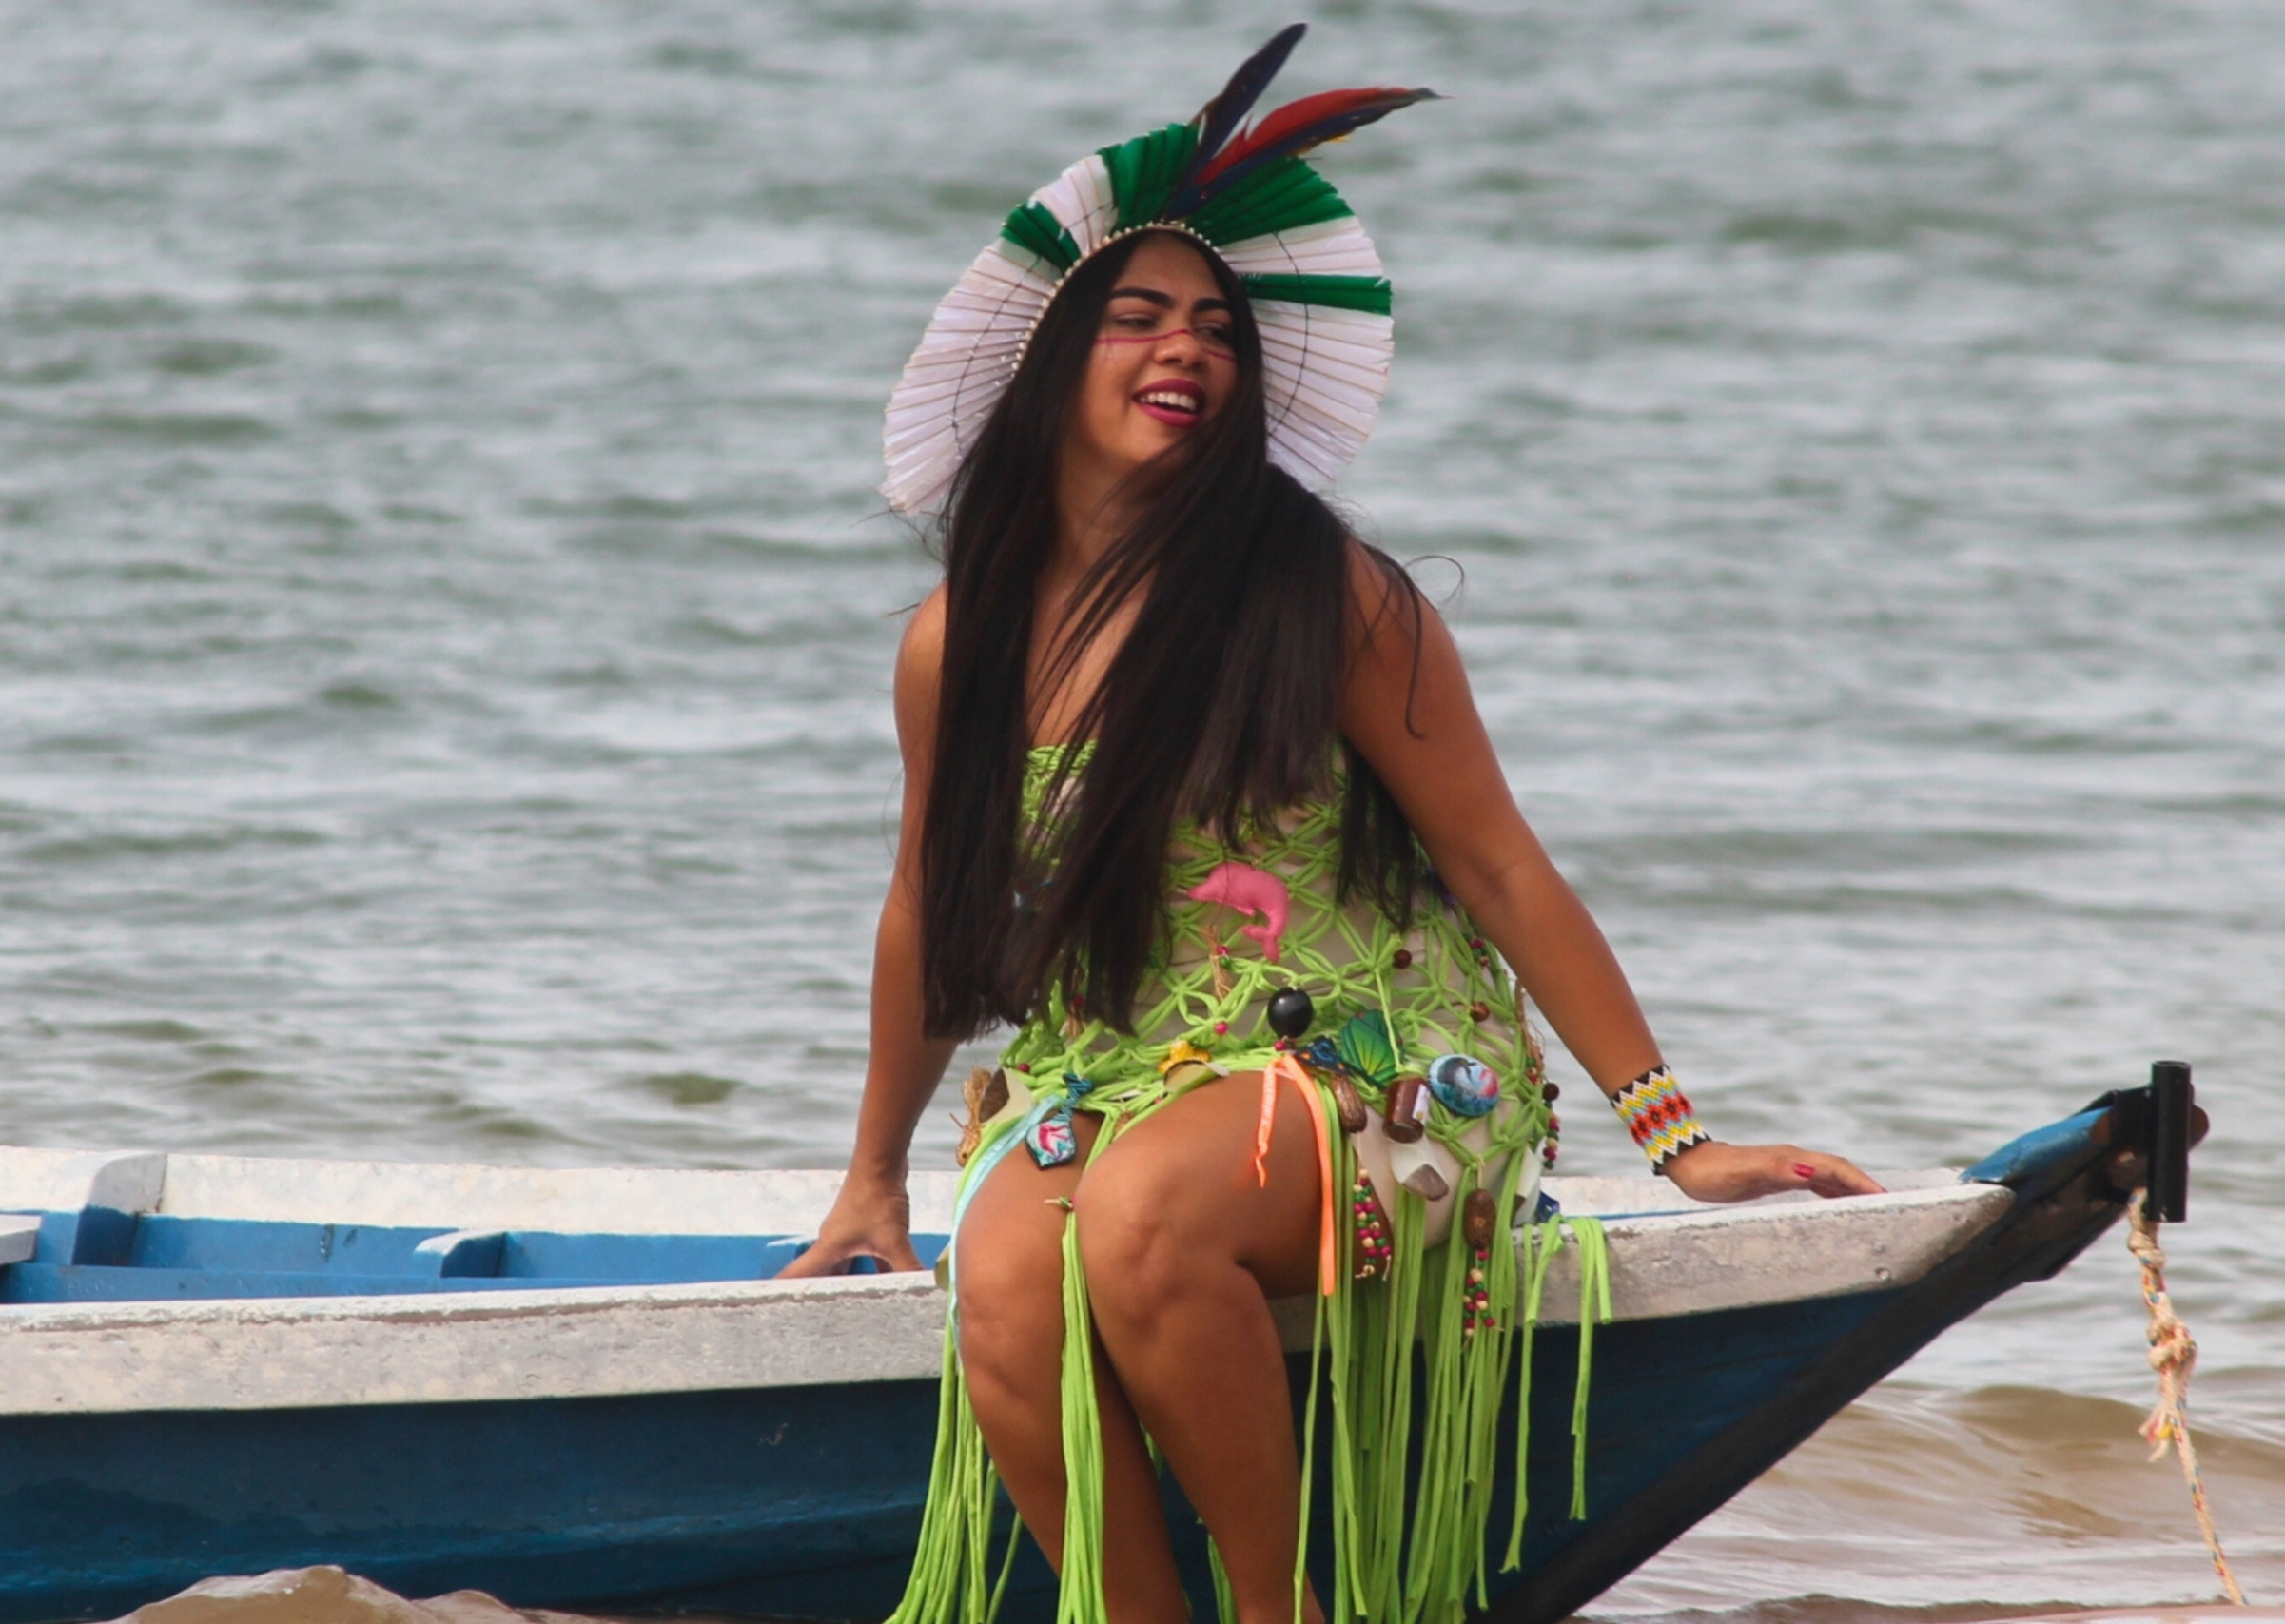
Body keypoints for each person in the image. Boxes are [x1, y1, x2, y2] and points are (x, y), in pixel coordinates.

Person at [782, 27, 1883, 1624]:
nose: (1187, 347)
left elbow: (1499, 860)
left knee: (1143, 1226)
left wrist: (1676, 1137)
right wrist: (872, 1175)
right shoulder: (957, 642)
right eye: (1138, 315)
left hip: (1370, 1056)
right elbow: (920, 909)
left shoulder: (1329, 594)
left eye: (1217, 328)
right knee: (1007, 1290)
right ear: (1047, 360)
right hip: (1110, 1070)